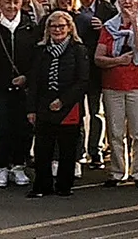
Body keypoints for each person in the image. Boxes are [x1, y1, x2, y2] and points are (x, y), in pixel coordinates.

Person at [94, 0, 138, 188]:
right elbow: (99, 58)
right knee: (115, 131)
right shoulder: (109, 26)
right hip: (113, 85)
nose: (127, 3)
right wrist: (118, 61)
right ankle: (118, 171)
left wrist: (134, 22)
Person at [26, 11, 90, 198]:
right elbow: (34, 81)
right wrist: (31, 108)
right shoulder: (41, 50)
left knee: (67, 148)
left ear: (69, 28)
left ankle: (64, 185)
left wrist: (63, 101)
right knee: (42, 148)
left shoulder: (78, 50)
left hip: (68, 106)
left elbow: (82, 81)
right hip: (44, 105)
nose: (57, 30)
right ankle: (42, 185)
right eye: (53, 26)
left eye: (61, 26)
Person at [0, 0, 39, 187]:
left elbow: (36, 59)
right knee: (2, 127)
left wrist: (27, 77)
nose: (12, 6)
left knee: (23, 128)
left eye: (16, 2)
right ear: (0, 3)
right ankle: (1, 167)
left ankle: (18, 166)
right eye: (7, 2)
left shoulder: (31, 26)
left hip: (24, 87)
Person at [75, 0, 116, 168]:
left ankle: (96, 151)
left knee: (96, 112)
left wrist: (104, 28)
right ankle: (78, 150)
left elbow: (119, 34)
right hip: (75, 70)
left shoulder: (107, 8)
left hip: (98, 70)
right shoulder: (72, 6)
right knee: (77, 113)